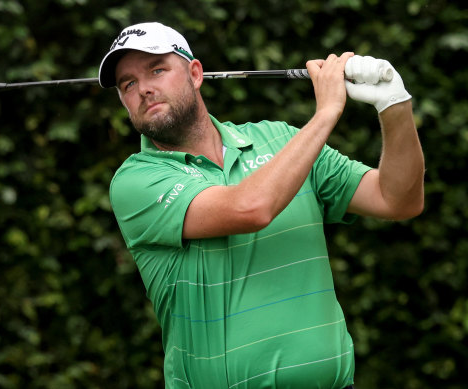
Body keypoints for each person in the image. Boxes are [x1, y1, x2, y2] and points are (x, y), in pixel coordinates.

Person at [98, 22, 424, 389]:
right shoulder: (135, 181)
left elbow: (399, 199)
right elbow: (250, 208)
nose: (143, 89)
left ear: (195, 73)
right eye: (128, 83)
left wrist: (394, 106)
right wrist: (327, 112)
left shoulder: (281, 140)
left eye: (157, 69)